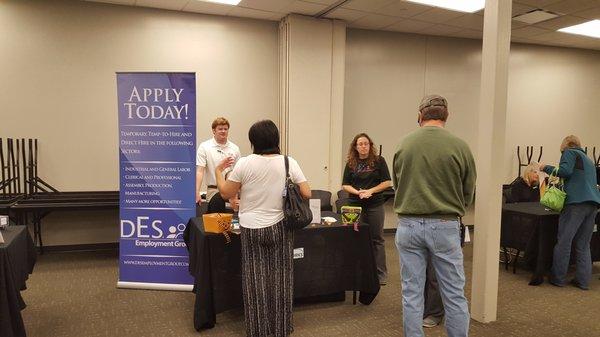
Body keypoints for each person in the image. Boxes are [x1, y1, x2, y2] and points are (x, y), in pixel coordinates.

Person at [215, 119, 311, 337]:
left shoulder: (245, 163)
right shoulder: (289, 162)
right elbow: (307, 193)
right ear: (275, 139)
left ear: (253, 141)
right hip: (281, 226)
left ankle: (258, 329)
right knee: (282, 277)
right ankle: (281, 328)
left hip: (251, 228)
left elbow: (225, 193)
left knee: (254, 278)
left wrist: (219, 171)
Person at [393, 94, 476, 337]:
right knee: (453, 295)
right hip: (445, 224)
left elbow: (398, 185)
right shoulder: (460, 146)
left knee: (411, 294)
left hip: (408, 225)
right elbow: (468, 189)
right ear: (446, 115)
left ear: (420, 116)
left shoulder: (404, 144)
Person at [540, 135, 600, 290]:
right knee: (583, 244)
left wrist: (545, 167)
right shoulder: (588, 160)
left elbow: (565, 172)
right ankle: (583, 281)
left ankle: (558, 278)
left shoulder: (570, 152)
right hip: (593, 204)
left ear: (565, 145)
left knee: (564, 242)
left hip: (576, 204)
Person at [342, 133, 392, 285]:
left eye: (366, 144)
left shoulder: (379, 161)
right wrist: (358, 192)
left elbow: (387, 183)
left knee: (377, 239)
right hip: (355, 206)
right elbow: (345, 185)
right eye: (360, 144)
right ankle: (358, 272)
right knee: (356, 239)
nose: (363, 146)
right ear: (355, 147)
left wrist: (371, 191)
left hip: (375, 205)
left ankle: (380, 274)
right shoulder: (351, 163)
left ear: (370, 146)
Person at [196, 117, 241, 205]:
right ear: (214, 131)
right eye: (220, 129)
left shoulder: (235, 148)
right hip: (213, 190)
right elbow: (200, 171)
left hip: (231, 192)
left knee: (231, 217)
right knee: (215, 217)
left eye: (225, 129)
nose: (223, 131)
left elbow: (239, 172)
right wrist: (196, 191)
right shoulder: (205, 146)